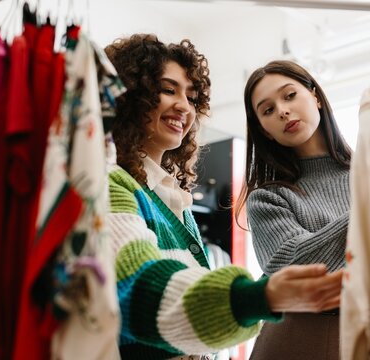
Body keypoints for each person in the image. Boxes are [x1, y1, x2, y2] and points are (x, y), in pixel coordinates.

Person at [104, 34, 344, 359]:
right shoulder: (112, 185)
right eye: (168, 90)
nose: (183, 107)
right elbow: (138, 288)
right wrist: (258, 297)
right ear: (129, 94)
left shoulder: (176, 203)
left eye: (191, 97)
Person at [236, 60, 352, 360]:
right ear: (265, 131)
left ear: (315, 96)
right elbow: (292, 265)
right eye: (268, 110)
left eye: (289, 96)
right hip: (300, 340)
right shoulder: (266, 197)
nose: (283, 111)